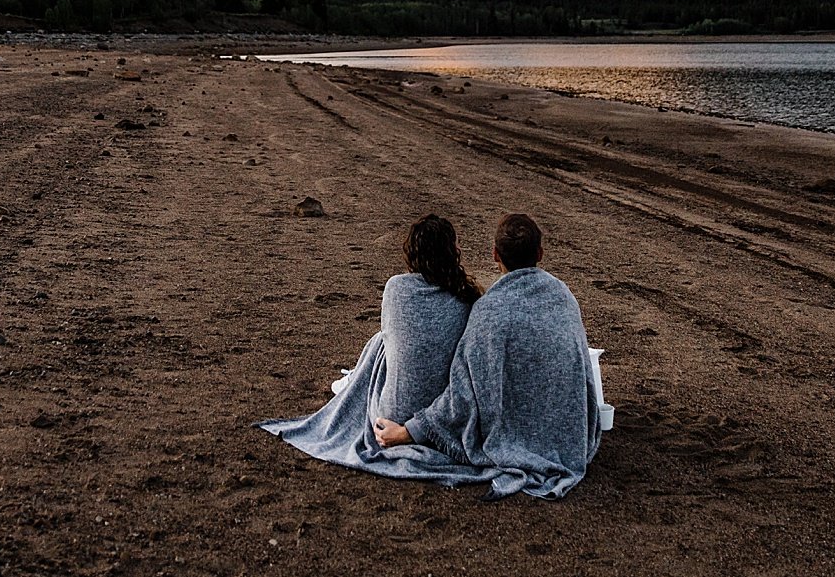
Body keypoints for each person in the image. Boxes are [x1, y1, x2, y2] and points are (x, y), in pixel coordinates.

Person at [372, 213, 603, 499]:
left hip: (427, 416)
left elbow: (464, 392)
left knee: (381, 346)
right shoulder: (563, 296)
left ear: (495, 254)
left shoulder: (488, 311)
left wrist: (410, 432)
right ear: (540, 253)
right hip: (564, 429)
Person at [256, 215, 481, 468]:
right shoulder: (466, 298)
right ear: (452, 252)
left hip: (391, 417)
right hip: (443, 420)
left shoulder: (396, 288)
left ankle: (353, 382)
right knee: (394, 343)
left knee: (383, 343)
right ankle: (353, 381)